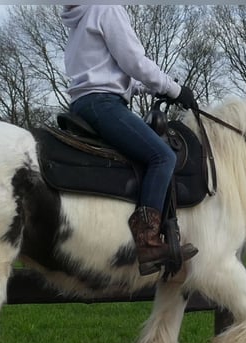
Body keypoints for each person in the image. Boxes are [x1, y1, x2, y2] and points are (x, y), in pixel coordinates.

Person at [61, 5, 199, 276]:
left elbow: (110, 71)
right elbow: (134, 61)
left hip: (84, 103)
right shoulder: (107, 8)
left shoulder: (79, 18)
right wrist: (175, 89)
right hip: (104, 103)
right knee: (163, 156)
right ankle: (147, 241)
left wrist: (150, 86)